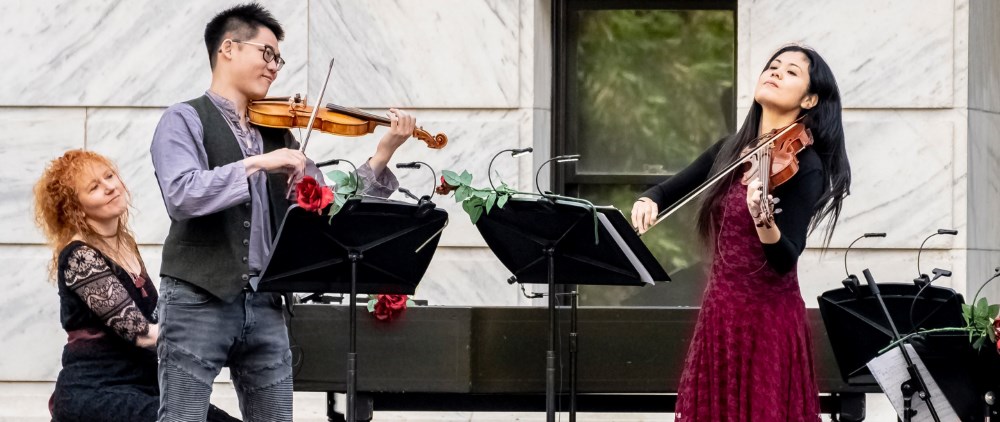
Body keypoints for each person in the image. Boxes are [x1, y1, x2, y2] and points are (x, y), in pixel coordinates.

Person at [149, 3, 413, 420]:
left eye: (279, 59)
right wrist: (259, 164)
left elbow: (329, 207)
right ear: (229, 49)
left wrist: (381, 155)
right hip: (198, 297)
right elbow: (183, 194)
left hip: (267, 300)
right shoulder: (184, 119)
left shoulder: (279, 132)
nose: (275, 67)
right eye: (267, 53)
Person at [631, 45, 851, 420]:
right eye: (773, 65)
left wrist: (764, 222)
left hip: (766, 321)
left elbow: (785, 259)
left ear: (810, 99)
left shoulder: (805, 164)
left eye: (792, 72)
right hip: (720, 316)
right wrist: (648, 200)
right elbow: (668, 190)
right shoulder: (731, 149)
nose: (776, 72)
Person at [34, 150, 239, 422]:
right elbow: (142, 333)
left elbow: (160, 316)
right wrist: (219, 339)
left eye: (109, 176)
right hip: (97, 393)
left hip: (142, 388)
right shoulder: (79, 256)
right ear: (76, 207)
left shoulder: (124, 244)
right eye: (94, 187)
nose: (109, 187)